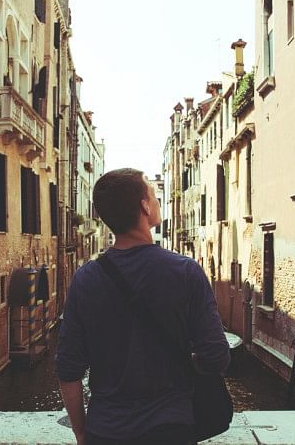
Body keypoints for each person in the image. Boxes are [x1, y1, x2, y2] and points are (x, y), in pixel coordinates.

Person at [56, 168, 230, 445]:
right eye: (153, 195)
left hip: (106, 431)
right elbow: (216, 356)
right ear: (145, 206)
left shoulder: (84, 279)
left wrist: (81, 433)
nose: (157, 201)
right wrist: (182, 362)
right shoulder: (186, 272)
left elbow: (68, 369)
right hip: (171, 429)